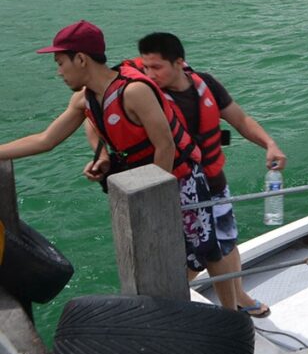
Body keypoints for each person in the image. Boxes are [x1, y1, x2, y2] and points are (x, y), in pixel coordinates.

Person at [0, 21, 220, 274]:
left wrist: (153, 199)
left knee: (199, 253)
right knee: (157, 256)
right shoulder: (83, 99)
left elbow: (165, 146)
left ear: (81, 59)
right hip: (141, 186)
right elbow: (45, 140)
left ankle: (221, 304)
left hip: (178, 180)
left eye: (60, 63)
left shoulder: (134, 91)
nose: (59, 72)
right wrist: (103, 156)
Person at [136, 32, 287, 317]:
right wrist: (101, 153)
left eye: (156, 67)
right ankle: (161, 310)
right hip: (179, 191)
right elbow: (93, 106)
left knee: (227, 242)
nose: (149, 74)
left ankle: (238, 296)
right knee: (195, 258)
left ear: (179, 62)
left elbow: (240, 119)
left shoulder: (206, 84)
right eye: (145, 67)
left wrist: (269, 143)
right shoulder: (146, 96)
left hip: (215, 183)